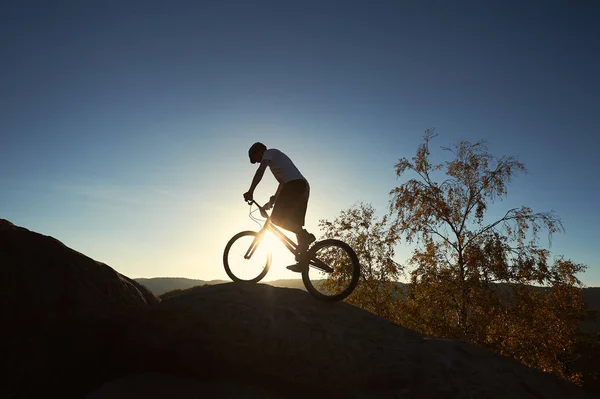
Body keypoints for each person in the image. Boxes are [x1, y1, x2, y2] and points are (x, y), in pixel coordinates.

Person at [243, 142, 315, 272]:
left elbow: (260, 172)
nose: (258, 162)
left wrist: (251, 191)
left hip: (295, 186)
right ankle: (303, 260)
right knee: (296, 225)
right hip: (302, 186)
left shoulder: (270, 152)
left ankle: (306, 236)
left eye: (256, 158)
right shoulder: (277, 162)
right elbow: (282, 184)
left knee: (276, 219)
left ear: (259, 151)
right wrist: (271, 202)